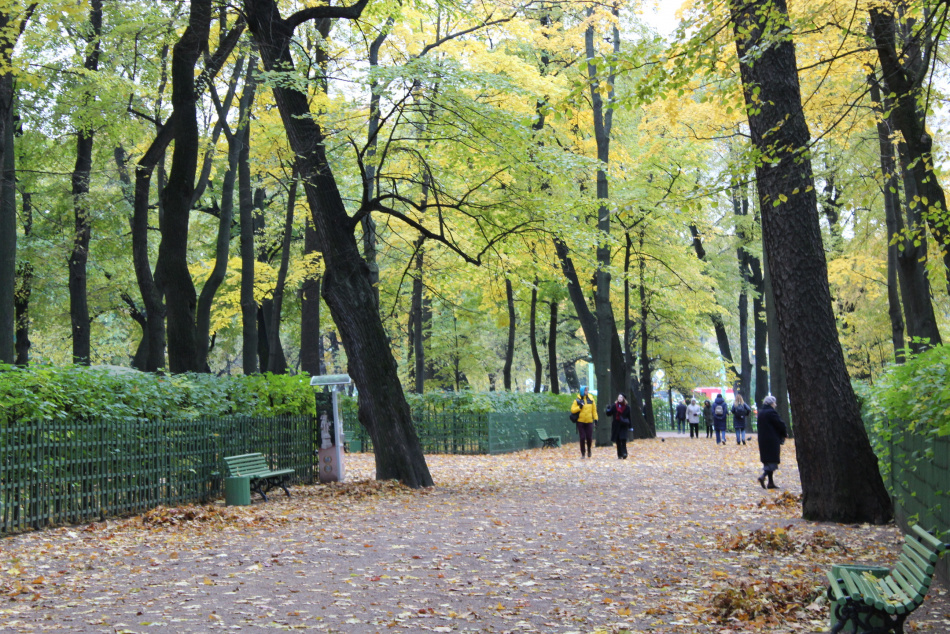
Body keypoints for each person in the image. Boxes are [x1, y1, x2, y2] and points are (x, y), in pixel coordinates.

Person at [756, 395, 788, 489]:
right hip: (772, 439)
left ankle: (770, 482)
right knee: (773, 460)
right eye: (774, 402)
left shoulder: (761, 413)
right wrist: (784, 433)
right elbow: (780, 424)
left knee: (767, 461)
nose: (775, 404)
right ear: (771, 403)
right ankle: (763, 476)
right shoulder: (771, 412)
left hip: (763, 439)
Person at [570, 386, 598, 459]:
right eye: (585, 390)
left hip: (589, 421)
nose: (587, 392)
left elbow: (594, 410)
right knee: (582, 437)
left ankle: (589, 449)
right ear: (582, 391)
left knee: (589, 437)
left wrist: (596, 419)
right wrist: (579, 407)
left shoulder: (591, 399)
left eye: (587, 390)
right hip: (580, 421)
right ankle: (583, 453)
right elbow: (572, 410)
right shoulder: (577, 400)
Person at [605, 394, 632, 459]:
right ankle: (619, 454)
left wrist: (630, 426)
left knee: (623, 439)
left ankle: (624, 453)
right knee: (618, 440)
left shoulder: (627, 407)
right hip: (616, 425)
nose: (620, 398)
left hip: (623, 425)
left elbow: (629, 417)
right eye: (619, 397)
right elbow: (609, 414)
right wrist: (608, 409)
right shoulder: (614, 406)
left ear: (624, 399)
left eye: (621, 397)